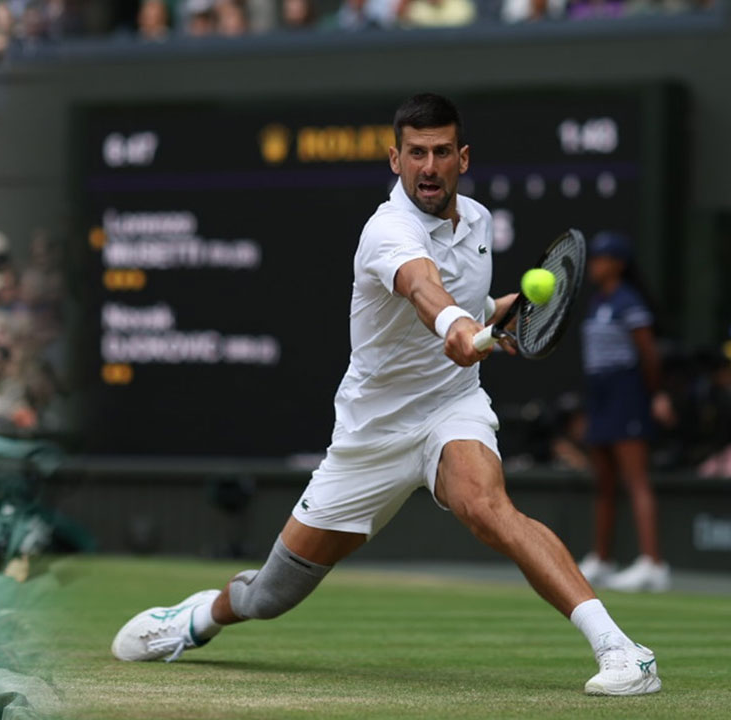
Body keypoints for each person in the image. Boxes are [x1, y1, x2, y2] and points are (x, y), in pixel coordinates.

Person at [110, 94, 661, 697]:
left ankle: (621, 651)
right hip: (370, 436)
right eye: (416, 153)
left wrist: (492, 316)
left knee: (487, 508)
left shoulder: (475, 223)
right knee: (269, 595)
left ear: (463, 158)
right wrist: (453, 325)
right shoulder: (386, 230)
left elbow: (468, 303)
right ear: (394, 160)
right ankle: (195, 619)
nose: (429, 166)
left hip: (452, 406)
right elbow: (422, 286)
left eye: (442, 152)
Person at [576, 232, 672, 592]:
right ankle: (601, 559)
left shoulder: (629, 302)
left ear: (618, 264)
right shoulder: (597, 301)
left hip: (627, 394)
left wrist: (657, 394)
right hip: (600, 396)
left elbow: (648, 354)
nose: (594, 266)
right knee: (603, 481)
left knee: (635, 479)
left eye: (601, 259)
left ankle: (653, 564)